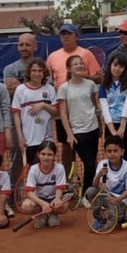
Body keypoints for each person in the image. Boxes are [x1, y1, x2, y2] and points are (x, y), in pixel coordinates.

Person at [46, 23, 102, 167]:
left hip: (84, 108)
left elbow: (99, 79)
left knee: (90, 149)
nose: (65, 36)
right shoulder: (53, 56)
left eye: (69, 34)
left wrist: (81, 77)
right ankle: (68, 180)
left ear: (76, 36)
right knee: (66, 145)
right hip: (63, 107)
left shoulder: (86, 54)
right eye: (63, 34)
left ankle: (91, 177)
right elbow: (48, 81)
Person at [99, 53, 127, 193]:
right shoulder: (103, 86)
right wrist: (112, 130)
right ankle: (115, 190)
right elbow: (104, 108)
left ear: (124, 68)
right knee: (114, 158)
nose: (117, 69)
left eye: (121, 66)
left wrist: (123, 126)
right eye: (115, 65)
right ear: (110, 66)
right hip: (111, 126)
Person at [57, 55, 101, 204]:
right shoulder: (64, 88)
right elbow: (63, 112)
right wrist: (69, 134)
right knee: (88, 163)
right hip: (77, 132)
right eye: (75, 64)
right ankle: (86, 196)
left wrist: (100, 125)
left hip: (93, 128)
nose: (79, 66)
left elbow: (96, 106)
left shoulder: (90, 85)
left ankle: (89, 193)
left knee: (92, 164)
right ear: (69, 68)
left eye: (81, 64)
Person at [4, 34, 38, 207]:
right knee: (17, 158)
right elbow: (11, 91)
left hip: (37, 121)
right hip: (16, 119)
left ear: (35, 47)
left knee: (39, 158)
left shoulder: (41, 66)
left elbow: (43, 88)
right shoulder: (9, 69)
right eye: (21, 45)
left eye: (27, 45)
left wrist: (21, 86)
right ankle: (13, 194)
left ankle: (39, 192)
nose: (24, 48)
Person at [83, 136, 127, 230]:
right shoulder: (103, 164)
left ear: (122, 151)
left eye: (115, 151)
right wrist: (99, 175)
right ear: (105, 152)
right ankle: (99, 219)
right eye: (109, 151)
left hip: (121, 200)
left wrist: (118, 199)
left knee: (115, 220)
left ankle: (121, 216)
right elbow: (94, 185)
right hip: (107, 196)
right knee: (90, 191)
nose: (112, 154)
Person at [11, 58, 57, 165]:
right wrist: (20, 137)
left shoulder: (49, 89)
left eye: (40, 71)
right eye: (34, 71)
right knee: (33, 169)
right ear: (29, 72)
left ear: (44, 72)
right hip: (29, 140)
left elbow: (55, 112)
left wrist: (43, 105)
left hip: (47, 139)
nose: (37, 74)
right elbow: (16, 115)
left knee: (47, 167)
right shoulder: (21, 90)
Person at [20, 140, 69, 229]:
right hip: (39, 200)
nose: (46, 157)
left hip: (53, 199)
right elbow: (29, 193)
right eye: (43, 154)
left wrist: (57, 199)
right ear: (38, 155)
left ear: (54, 155)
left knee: (64, 205)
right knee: (26, 205)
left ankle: (53, 214)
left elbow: (59, 188)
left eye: (49, 154)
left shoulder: (59, 168)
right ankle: (41, 214)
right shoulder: (34, 169)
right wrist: (43, 204)